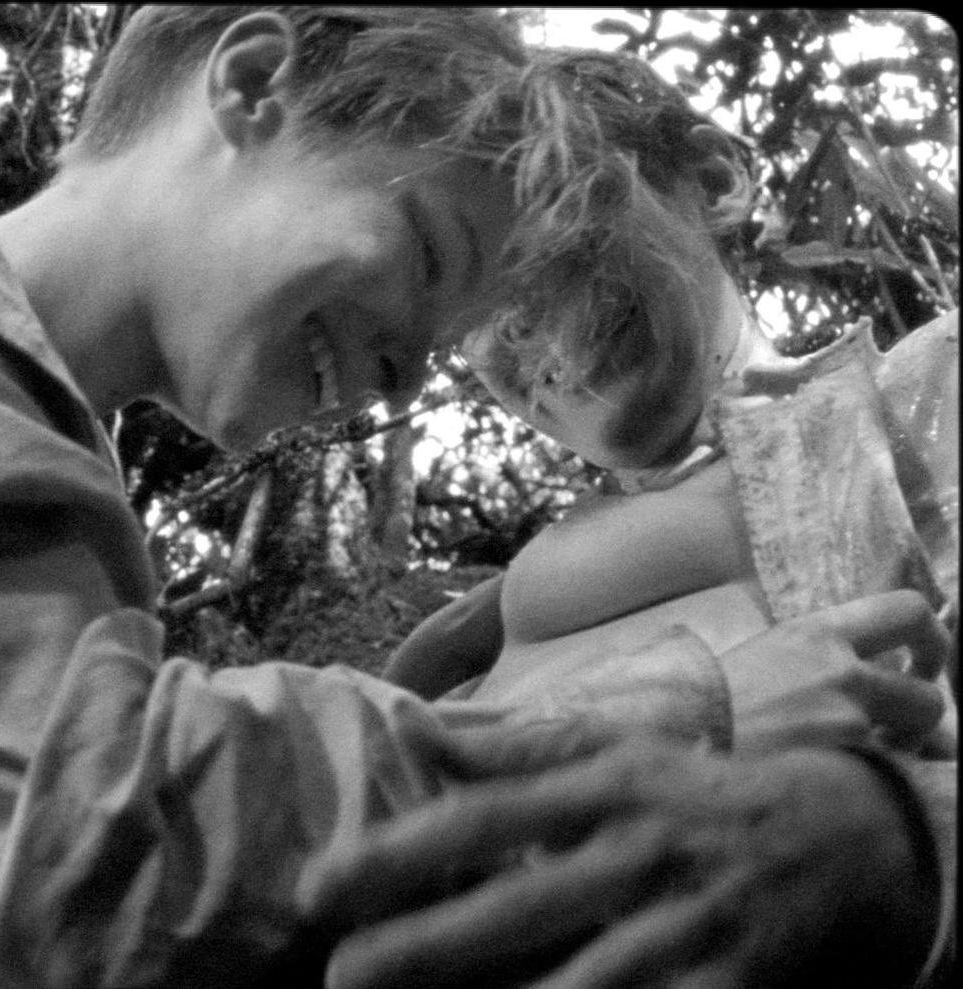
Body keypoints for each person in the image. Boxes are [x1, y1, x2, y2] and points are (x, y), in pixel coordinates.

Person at [0, 8, 947, 987]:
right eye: (421, 258)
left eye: (435, 354)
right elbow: (90, 844)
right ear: (255, 80)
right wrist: (674, 717)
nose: (398, 384)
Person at [366, 46, 956, 988]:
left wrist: (909, 852)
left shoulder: (935, 394)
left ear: (714, 182)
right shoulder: (469, 632)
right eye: (465, 295)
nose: (507, 320)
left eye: (548, 219)